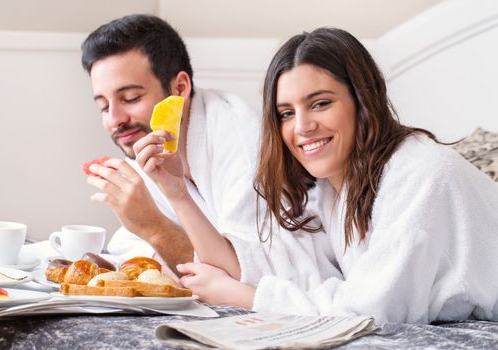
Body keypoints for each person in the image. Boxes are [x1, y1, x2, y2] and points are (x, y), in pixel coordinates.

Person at [176, 27, 498, 324]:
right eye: (286, 113)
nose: (302, 127)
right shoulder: (331, 185)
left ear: (362, 99)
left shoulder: (420, 174)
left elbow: (371, 311)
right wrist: (174, 188)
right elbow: (285, 271)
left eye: (320, 103)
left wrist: (245, 298)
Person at [81, 14, 337, 289]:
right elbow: (130, 249)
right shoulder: (150, 146)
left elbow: (247, 277)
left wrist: (153, 227)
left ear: (179, 88)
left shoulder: (240, 139)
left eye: (130, 99)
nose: (115, 119)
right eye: (104, 106)